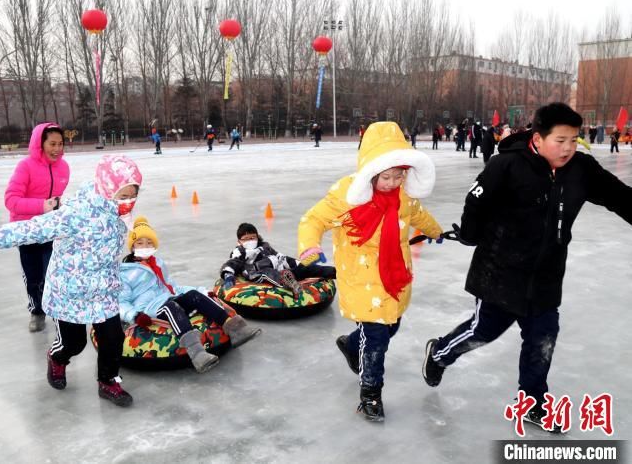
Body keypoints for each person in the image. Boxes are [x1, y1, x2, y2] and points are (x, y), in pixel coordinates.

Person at [422, 103, 632, 432]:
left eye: (574, 140)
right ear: (538, 137)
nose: (568, 148)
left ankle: (533, 404)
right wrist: (472, 234)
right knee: (482, 332)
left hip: (546, 275)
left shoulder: (582, 169)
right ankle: (439, 353)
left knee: (542, 339)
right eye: (560, 140)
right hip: (501, 272)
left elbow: (621, 197)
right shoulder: (506, 165)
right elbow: (476, 200)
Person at [0, 154, 145, 407]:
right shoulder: (75, 215)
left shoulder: (117, 211)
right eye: (123, 195)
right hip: (69, 290)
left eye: (133, 195)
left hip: (104, 289)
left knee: (113, 338)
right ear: (107, 188)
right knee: (74, 343)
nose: (129, 202)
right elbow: (26, 230)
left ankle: (108, 381)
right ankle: (57, 359)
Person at [298, 122, 446, 422]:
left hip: (394, 275)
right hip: (362, 277)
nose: (392, 183)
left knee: (391, 326)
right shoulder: (347, 195)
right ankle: (370, 394)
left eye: (399, 175)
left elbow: (418, 213)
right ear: (371, 171)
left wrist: (435, 230)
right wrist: (309, 246)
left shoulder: (403, 197)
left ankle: (352, 344)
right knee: (377, 338)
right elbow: (314, 219)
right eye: (386, 177)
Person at [119, 217, 261, 372]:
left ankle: (235, 329)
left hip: (166, 298)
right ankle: (197, 354)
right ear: (132, 247)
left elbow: (172, 287)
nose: (145, 246)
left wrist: (202, 292)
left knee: (192, 295)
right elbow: (120, 301)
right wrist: (134, 316)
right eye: (140, 243)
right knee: (170, 307)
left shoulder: (157, 264)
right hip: (148, 308)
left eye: (149, 242)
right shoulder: (125, 272)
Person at [4, 123, 70, 332]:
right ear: (40, 144)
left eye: (60, 144)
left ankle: (59, 312)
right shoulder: (26, 166)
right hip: (26, 231)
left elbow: (57, 199)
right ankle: (37, 310)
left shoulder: (64, 167)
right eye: (52, 144)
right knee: (33, 275)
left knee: (53, 273)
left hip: (51, 229)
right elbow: (11, 200)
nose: (56, 149)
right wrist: (43, 206)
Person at [220, 223, 336, 298]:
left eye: (252, 237)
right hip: (256, 272)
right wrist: (228, 275)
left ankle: (337, 272)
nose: (250, 241)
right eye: (246, 239)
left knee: (306, 268)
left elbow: (281, 257)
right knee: (268, 273)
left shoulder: (265, 247)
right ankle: (287, 282)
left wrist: (299, 264)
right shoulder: (240, 251)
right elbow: (232, 263)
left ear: (257, 237)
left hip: (281, 269)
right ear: (239, 241)